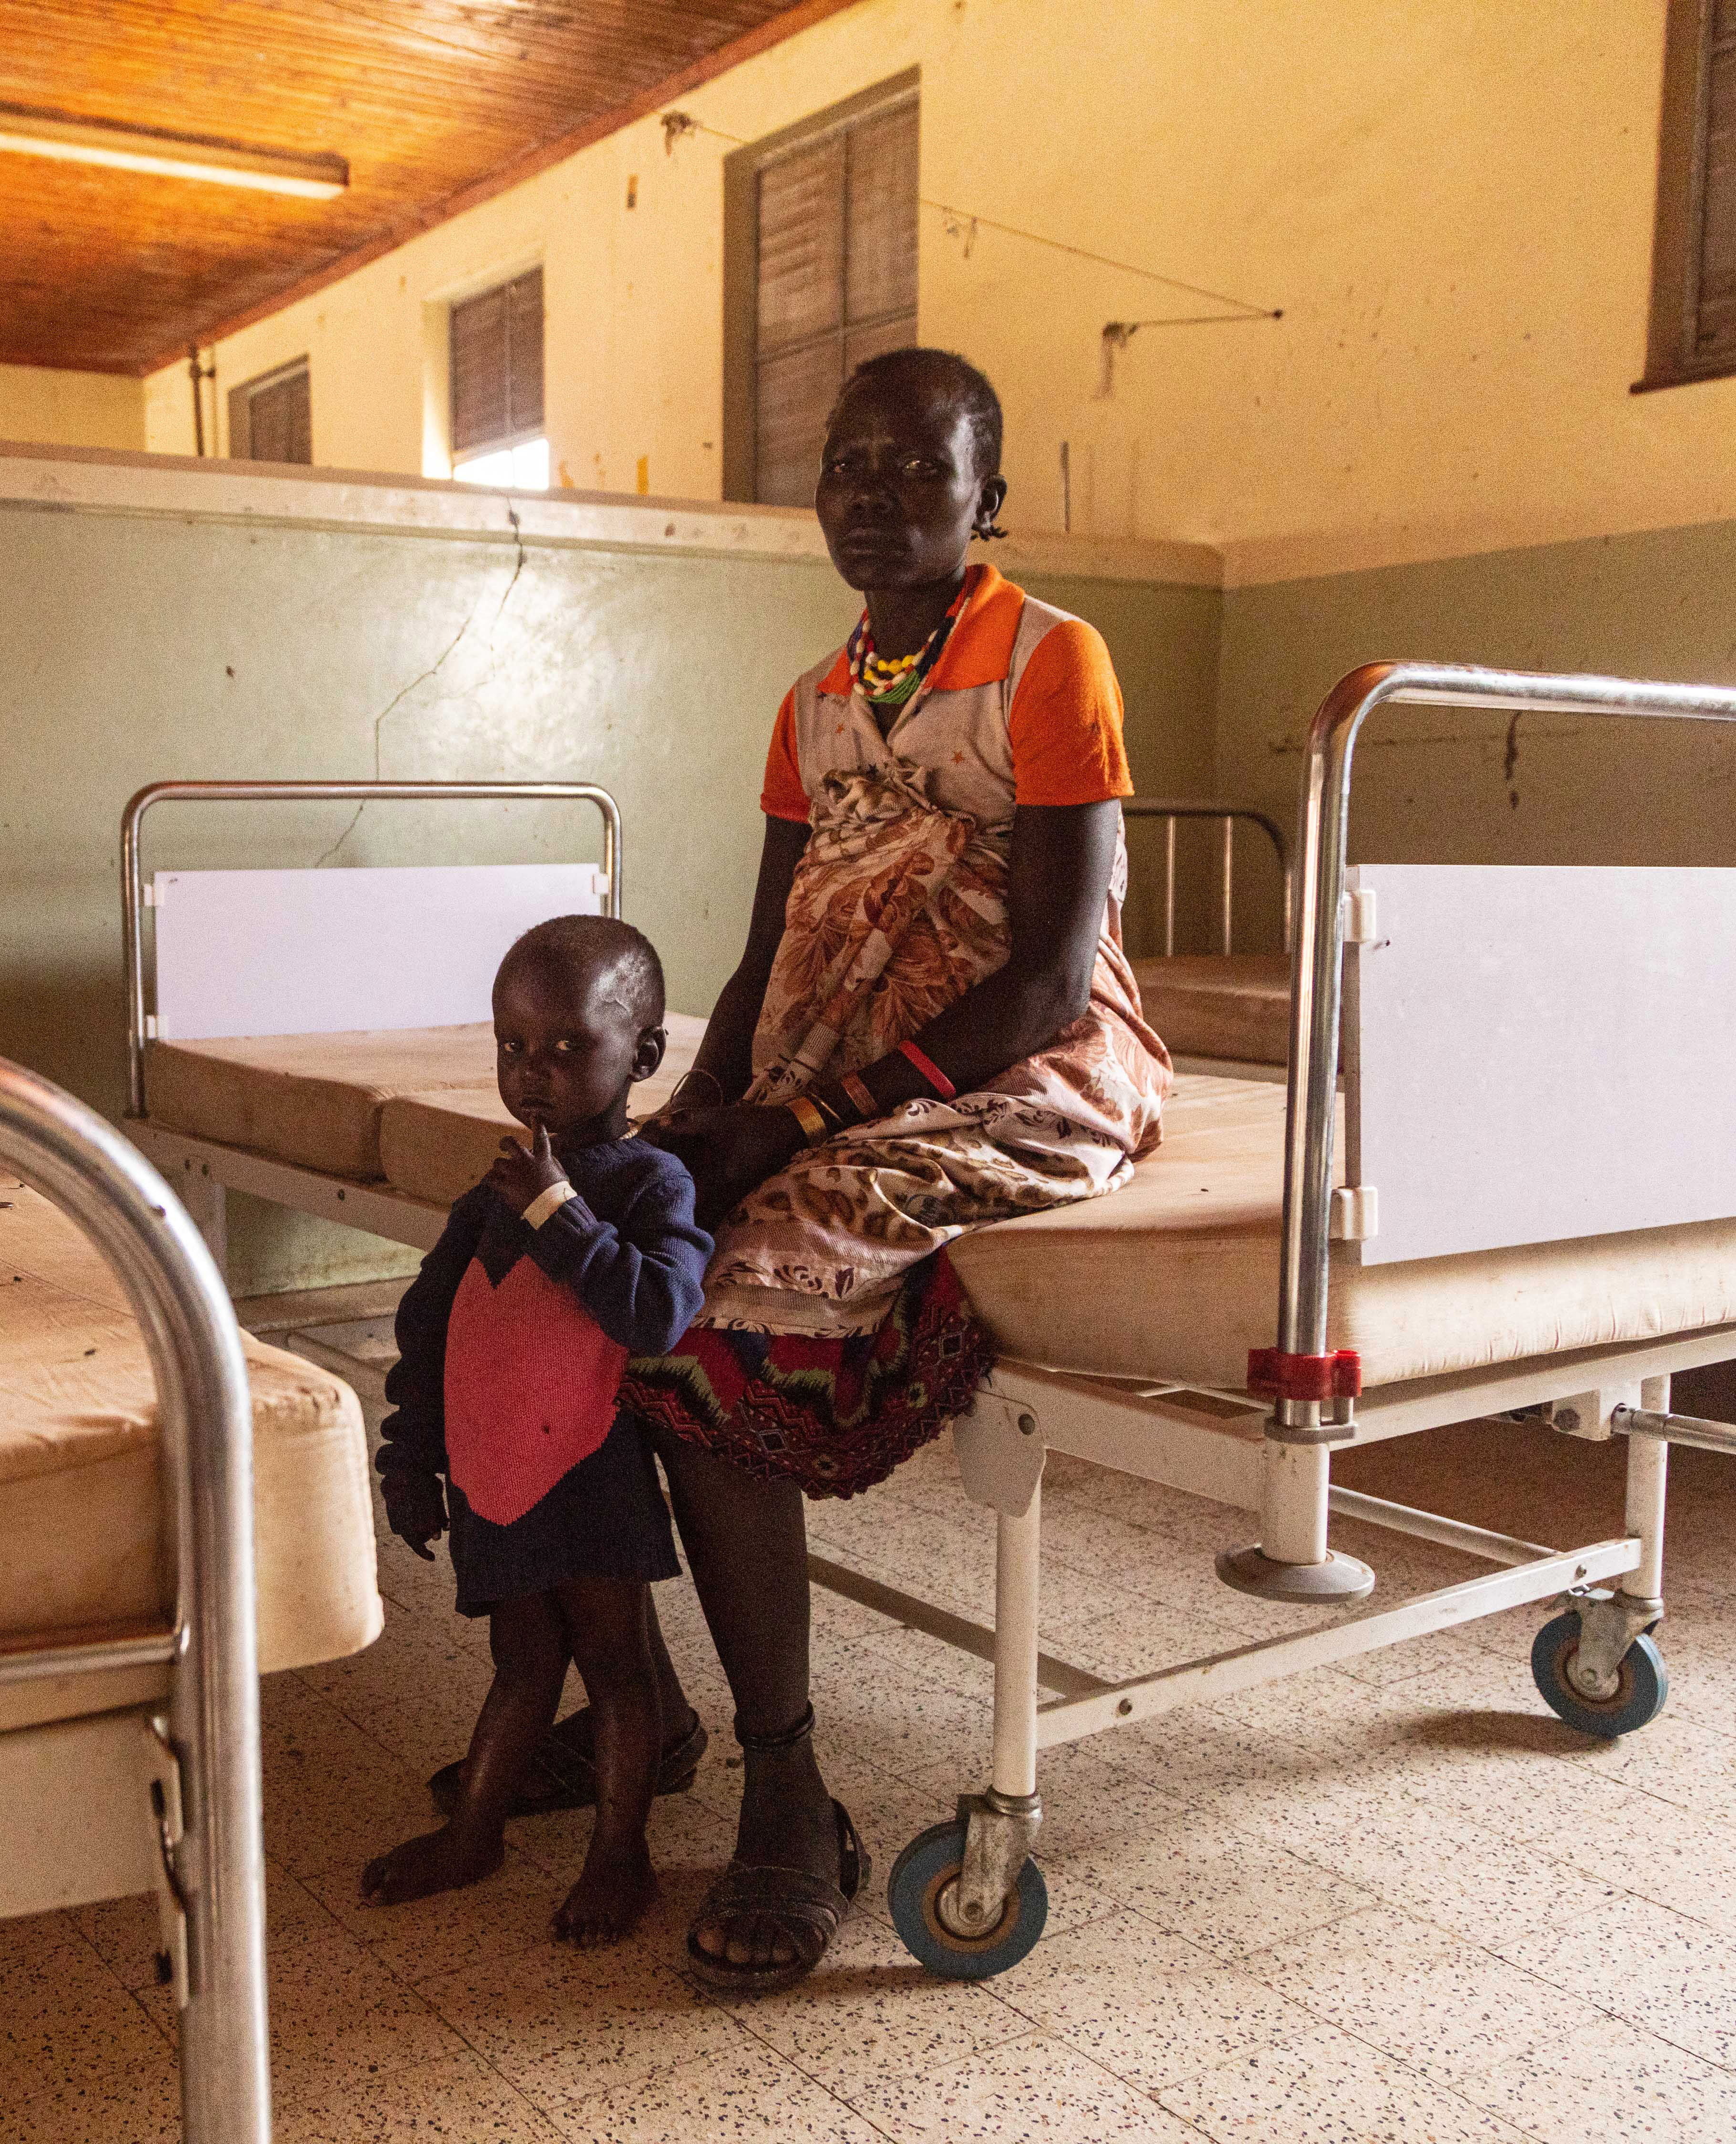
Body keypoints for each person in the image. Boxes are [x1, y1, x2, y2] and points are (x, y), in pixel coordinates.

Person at [441, 347, 1171, 1991]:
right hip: (820, 1061)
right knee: (607, 1240)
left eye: (922, 468)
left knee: (709, 1321)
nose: (877, 497)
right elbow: (773, 950)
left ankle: (789, 1789)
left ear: (990, 495)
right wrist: (681, 1120)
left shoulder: (1058, 661)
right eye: (849, 467)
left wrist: (808, 1124)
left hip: (1015, 1070)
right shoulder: (814, 701)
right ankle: (641, 1694)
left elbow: (1050, 980)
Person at [362, 915, 715, 1946]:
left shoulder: (652, 1184)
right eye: (514, 1045)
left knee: (615, 1666)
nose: (535, 1070)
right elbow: (433, 1329)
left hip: (586, 1474)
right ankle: (475, 1832)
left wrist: (560, 1211)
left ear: (642, 1056)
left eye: (569, 1046)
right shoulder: (490, 1192)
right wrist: (410, 1460)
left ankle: (622, 1853)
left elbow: (656, 1310)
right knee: (521, 1665)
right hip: (494, 1473)